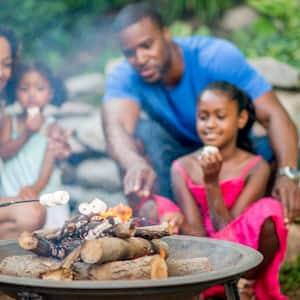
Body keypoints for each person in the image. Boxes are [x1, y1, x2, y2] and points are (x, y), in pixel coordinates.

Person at [102, 3, 300, 223]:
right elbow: (116, 128)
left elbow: (274, 115)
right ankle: (164, 224)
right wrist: (134, 162)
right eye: (130, 53)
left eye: (147, 46)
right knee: (143, 136)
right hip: (180, 156)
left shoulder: (214, 57)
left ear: (166, 34)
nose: (140, 59)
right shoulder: (124, 75)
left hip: (232, 151)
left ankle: (248, 223)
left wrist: (288, 173)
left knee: (281, 152)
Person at [170, 81, 287, 300]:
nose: (210, 125)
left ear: (241, 119)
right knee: (157, 210)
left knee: (271, 210)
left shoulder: (256, 167)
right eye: (203, 117)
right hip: (200, 249)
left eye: (220, 116)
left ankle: (245, 285)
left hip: (241, 249)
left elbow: (229, 233)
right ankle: (206, 287)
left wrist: (211, 183)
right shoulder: (181, 167)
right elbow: (196, 233)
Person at [0, 61, 71, 236]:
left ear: (50, 94)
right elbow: (4, 152)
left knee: (48, 239)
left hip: (41, 193)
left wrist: (35, 188)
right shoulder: (10, 120)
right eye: (24, 89)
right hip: (12, 193)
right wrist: (27, 133)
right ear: (15, 92)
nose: (32, 94)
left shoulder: (52, 127)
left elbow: (48, 165)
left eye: (39, 89)